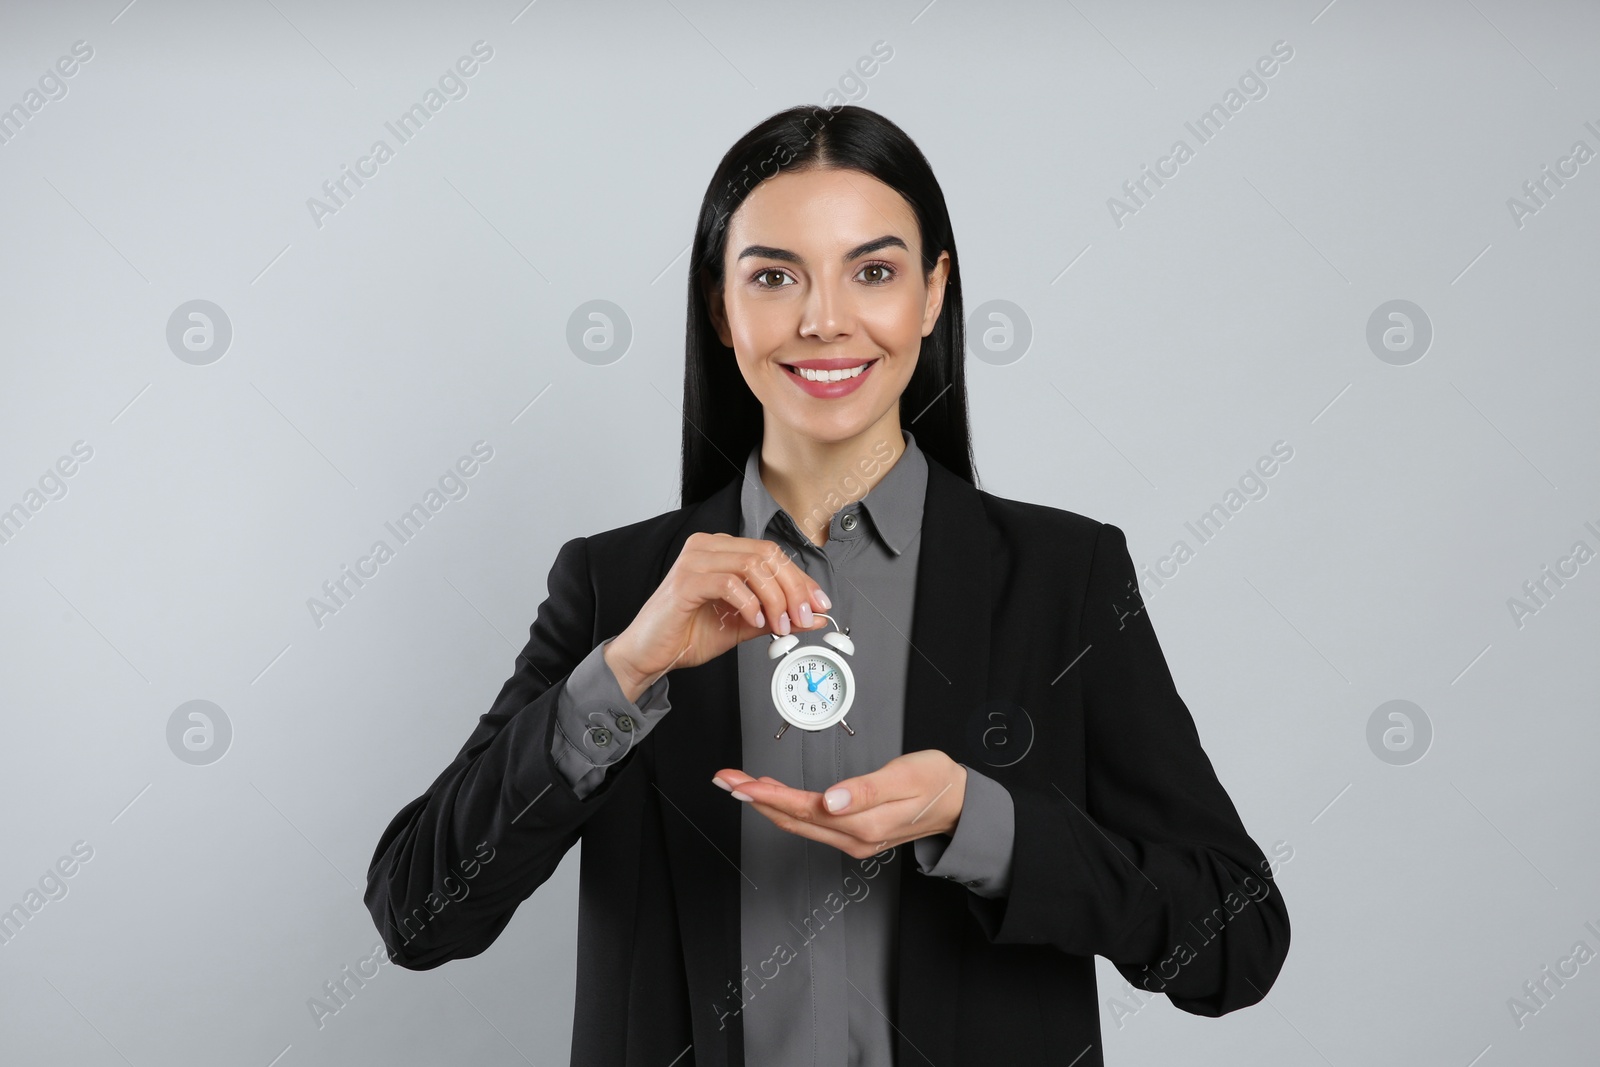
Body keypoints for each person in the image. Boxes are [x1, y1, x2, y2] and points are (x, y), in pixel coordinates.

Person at [364, 104, 1290, 1067]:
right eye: (773, 276)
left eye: (874, 271)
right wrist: (627, 671)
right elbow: (417, 915)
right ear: (722, 309)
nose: (823, 319)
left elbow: (1236, 940)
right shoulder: (617, 586)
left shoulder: (1062, 577)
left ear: (933, 295)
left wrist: (979, 822)